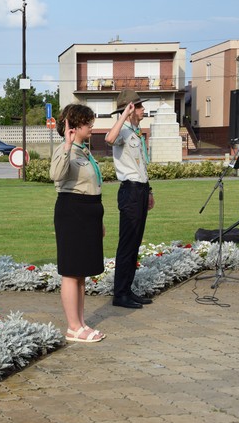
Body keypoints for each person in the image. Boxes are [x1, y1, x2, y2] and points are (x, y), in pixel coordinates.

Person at [50, 104, 106, 343]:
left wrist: (98, 221)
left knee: (81, 273)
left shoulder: (84, 151)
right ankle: (73, 327)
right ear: (73, 126)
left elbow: (93, 186)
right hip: (72, 212)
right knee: (71, 272)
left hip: (88, 213)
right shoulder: (66, 150)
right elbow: (56, 175)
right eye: (87, 123)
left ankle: (81, 323)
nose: (91, 126)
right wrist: (67, 145)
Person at [104, 89, 155, 309]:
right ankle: (120, 294)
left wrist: (149, 190)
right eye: (140, 106)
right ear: (131, 109)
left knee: (135, 243)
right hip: (130, 191)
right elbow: (109, 139)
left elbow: (141, 165)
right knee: (127, 244)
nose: (144, 109)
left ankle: (127, 289)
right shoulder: (122, 130)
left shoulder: (134, 131)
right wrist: (124, 114)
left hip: (140, 190)